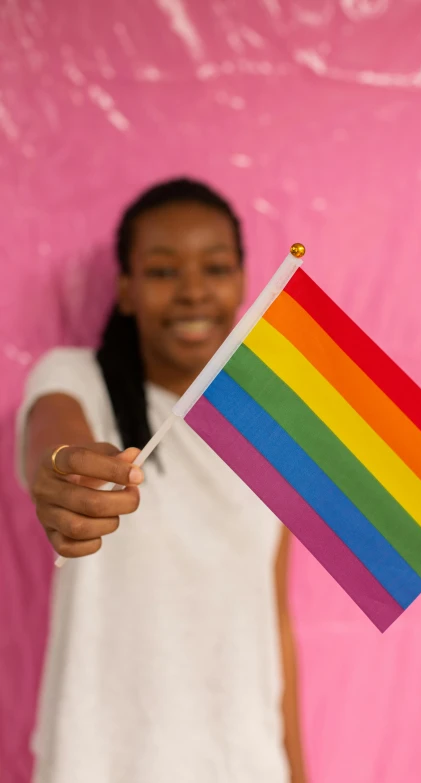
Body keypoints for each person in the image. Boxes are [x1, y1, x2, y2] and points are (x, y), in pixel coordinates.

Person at [17, 178, 307, 783]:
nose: (194, 291)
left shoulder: (274, 429)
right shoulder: (76, 378)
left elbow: (272, 617)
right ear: (125, 289)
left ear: (242, 282)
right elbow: (51, 443)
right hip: (98, 757)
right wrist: (61, 474)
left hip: (242, 759)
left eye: (216, 267)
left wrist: (297, 769)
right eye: (163, 271)